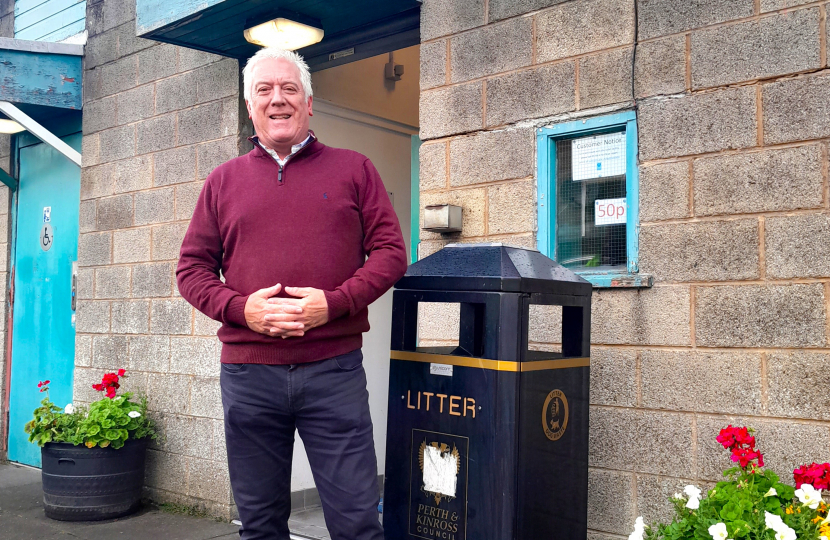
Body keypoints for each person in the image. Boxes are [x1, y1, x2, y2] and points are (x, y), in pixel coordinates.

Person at [176, 47, 407, 540]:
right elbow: (192, 270)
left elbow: (391, 253)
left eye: (289, 89)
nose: (277, 99)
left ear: (308, 103)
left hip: (333, 372)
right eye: (264, 90)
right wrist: (242, 310)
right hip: (248, 376)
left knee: (358, 522)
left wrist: (336, 303)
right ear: (249, 104)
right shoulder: (223, 181)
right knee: (259, 525)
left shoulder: (355, 169)